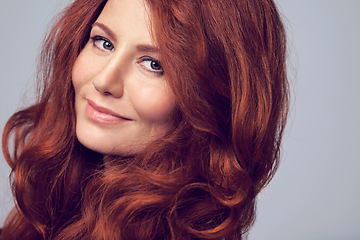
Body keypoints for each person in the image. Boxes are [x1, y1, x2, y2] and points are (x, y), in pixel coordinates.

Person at [1, 0, 289, 239]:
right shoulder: (54, 208)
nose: (104, 81)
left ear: (214, 99)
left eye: (153, 64)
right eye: (103, 42)